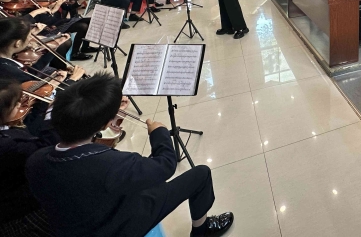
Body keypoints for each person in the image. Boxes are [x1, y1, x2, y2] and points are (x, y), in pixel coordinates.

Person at [25, 74, 235, 237]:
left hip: (75, 224)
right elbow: (165, 165)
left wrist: (104, 120)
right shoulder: (113, 165)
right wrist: (159, 133)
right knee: (200, 175)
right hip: (117, 227)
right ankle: (202, 230)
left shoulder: (35, 160)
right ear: (104, 125)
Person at [0, 78, 60, 237]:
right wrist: (50, 116)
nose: (21, 105)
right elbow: (45, 149)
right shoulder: (11, 145)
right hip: (16, 208)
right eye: (16, 104)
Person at [18, 0, 94, 60]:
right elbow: (39, 21)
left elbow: (68, 7)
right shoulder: (27, 0)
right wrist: (54, 9)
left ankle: (85, 47)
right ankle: (75, 53)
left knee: (90, 21)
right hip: (47, 28)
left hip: (57, 21)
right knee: (82, 26)